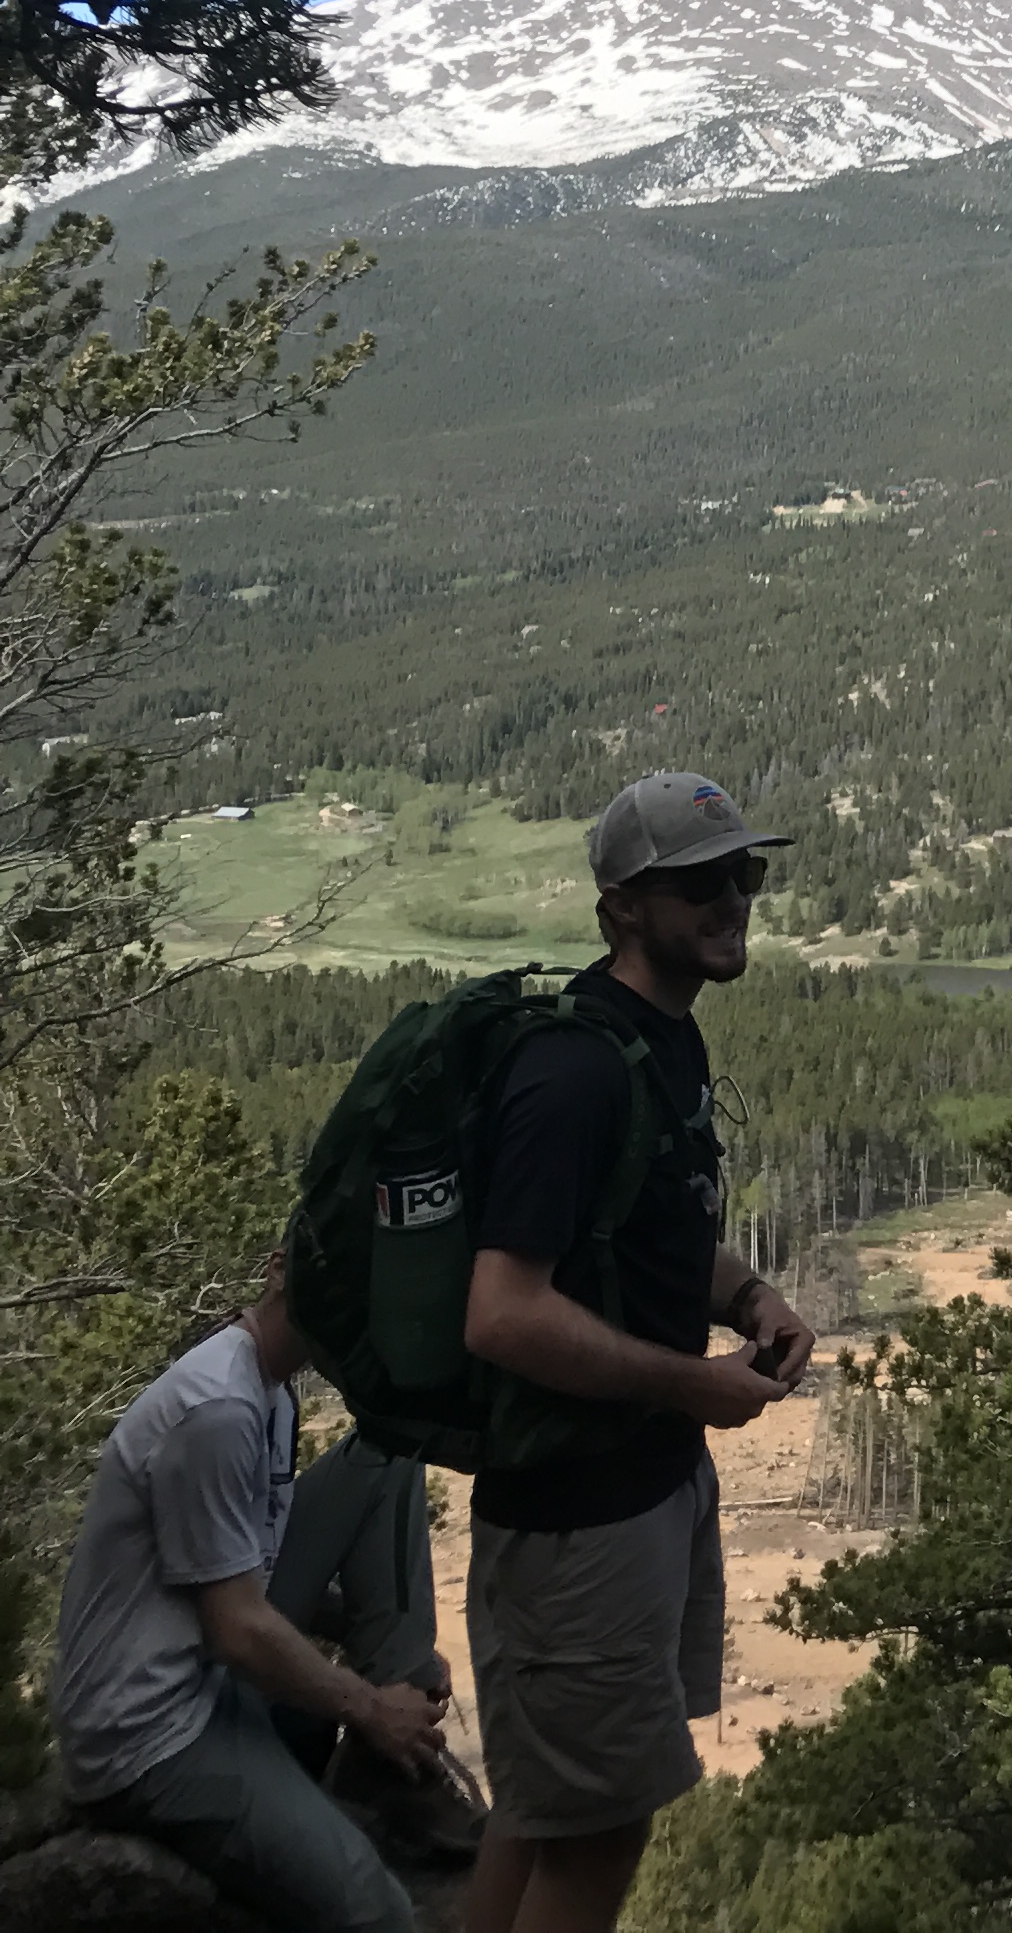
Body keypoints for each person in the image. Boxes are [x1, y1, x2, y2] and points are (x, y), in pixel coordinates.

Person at [460, 770, 817, 1933]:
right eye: (699, 882)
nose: (733, 900)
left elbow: (649, 1241)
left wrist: (747, 1295)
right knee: (597, 1834)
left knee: (552, 1810)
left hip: (640, 1493)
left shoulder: (662, 1046)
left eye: (744, 873)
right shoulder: (571, 1073)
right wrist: (692, 1388)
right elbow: (503, 1311)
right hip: (577, 1519)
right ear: (621, 906)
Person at [49, 1246, 473, 1932]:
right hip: (150, 1731)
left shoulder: (266, 1391)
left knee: (384, 1451)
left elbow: (249, 1578)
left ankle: (394, 1769)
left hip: (206, 1675)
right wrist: (369, 1707)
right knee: (377, 1909)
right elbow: (238, 1627)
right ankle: (386, 1750)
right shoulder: (216, 1408)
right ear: (278, 1269)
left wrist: (398, 1664)